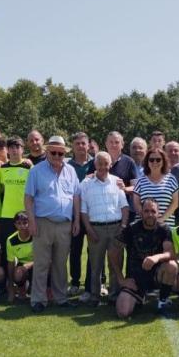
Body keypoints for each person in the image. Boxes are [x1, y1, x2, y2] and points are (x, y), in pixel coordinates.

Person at [24, 135, 78, 312]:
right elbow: (28, 198)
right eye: (53, 152)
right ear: (47, 152)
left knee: (60, 263)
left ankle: (60, 298)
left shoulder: (71, 171)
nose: (56, 156)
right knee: (41, 263)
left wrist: (76, 220)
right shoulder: (36, 171)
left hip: (64, 224)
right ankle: (38, 300)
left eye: (60, 153)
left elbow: (76, 197)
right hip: (43, 222)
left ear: (64, 154)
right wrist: (31, 221)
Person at [75, 152, 130, 305]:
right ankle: (95, 296)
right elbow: (83, 210)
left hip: (116, 228)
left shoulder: (117, 182)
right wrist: (89, 230)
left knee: (115, 264)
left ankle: (114, 295)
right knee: (95, 265)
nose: (103, 167)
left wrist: (123, 227)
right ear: (95, 165)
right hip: (95, 229)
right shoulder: (85, 184)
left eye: (106, 163)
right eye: (99, 163)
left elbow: (124, 206)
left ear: (110, 165)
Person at [112, 198, 177, 318]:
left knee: (172, 266)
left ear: (158, 213)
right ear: (141, 213)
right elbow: (113, 253)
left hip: (157, 276)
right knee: (122, 312)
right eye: (146, 211)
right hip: (135, 280)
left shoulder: (164, 229)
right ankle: (138, 297)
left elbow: (170, 253)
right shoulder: (131, 229)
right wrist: (121, 279)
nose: (150, 214)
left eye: (153, 211)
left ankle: (162, 301)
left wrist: (156, 257)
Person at [65, 132, 92, 294]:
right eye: (77, 144)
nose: (81, 146)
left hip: (93, 213)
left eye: (84, 143)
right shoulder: (67, 166)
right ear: (73, 147)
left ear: (88, 145)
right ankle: (75, 282)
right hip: (74, 214)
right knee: (75, 249)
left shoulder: (96, 163)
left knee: (95, 250)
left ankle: (98, 282)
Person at [132, 149, 179, 227]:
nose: (155, 162)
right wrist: (147, 219)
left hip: (166, 226)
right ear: (147, 162)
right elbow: (137, 204)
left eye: (158, 160)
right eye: (151, 160)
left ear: (163, 161)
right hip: (144, 227)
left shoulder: (171, 179)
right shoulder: (140, 181)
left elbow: (175, 203)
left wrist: (160, 220)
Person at [5, 211, 34, 302]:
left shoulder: (36, 235)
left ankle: (47, 291)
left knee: (48, 266)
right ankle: (22, 291)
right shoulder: (11, 240)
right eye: (19, 223)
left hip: (38, 263)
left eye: (25, 223)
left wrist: (30, 264)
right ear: (15, 225)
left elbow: (46, 257)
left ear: (30, 223)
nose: (22, 226)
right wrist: (10, 284)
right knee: (18, 273)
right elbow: (11, 262)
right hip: (23, 266)